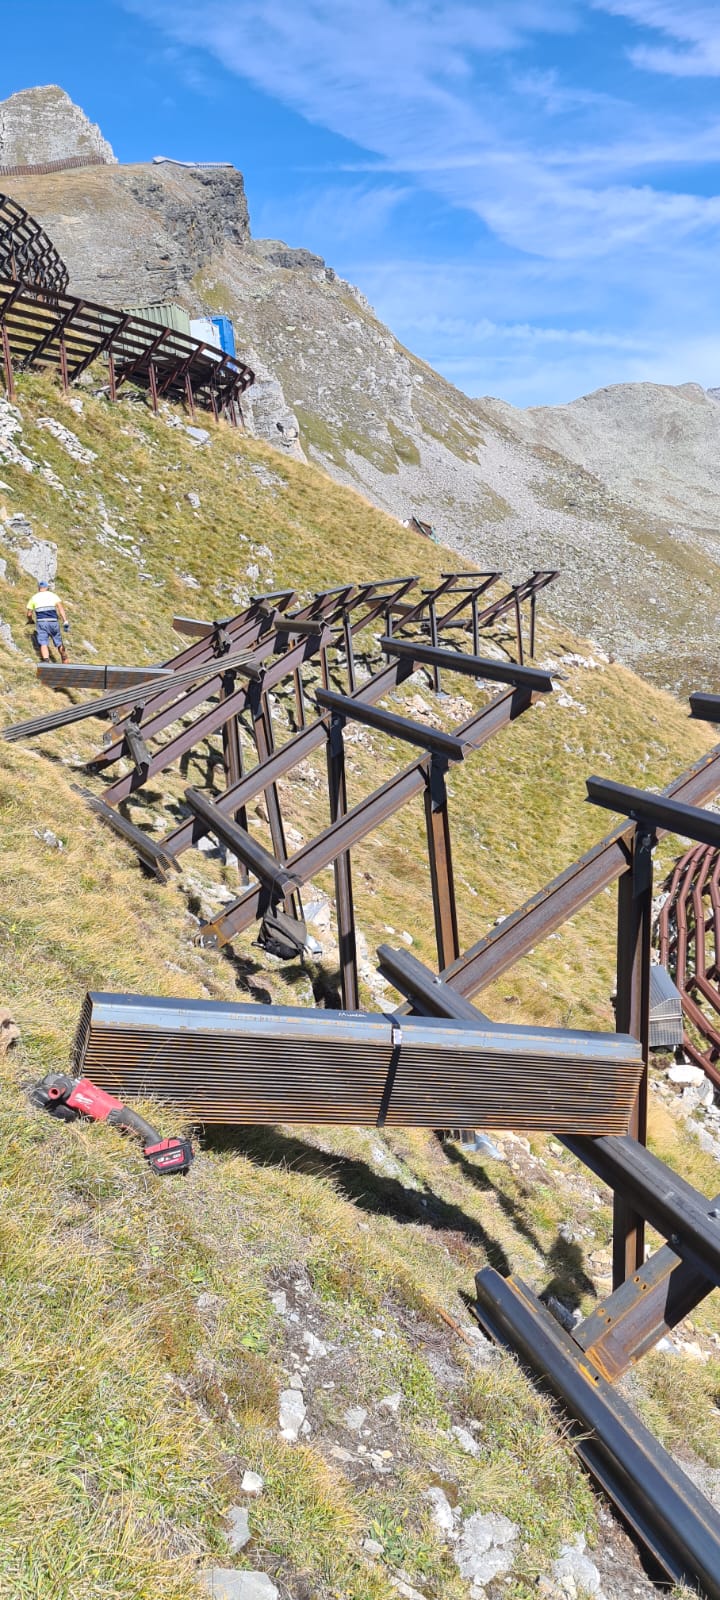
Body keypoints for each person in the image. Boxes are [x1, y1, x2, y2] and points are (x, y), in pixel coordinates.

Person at [26, 579, 70, 662]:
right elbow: (60, 608)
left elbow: (29, 614)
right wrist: (65, 621)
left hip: (41, 623)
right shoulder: (53, 595)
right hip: (53, 622)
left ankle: (46, 661)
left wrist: (30, 620)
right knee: (59, 643)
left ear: (39, 588)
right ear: (46, 587)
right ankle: (64, 658)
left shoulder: (34, 597)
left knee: (43, 643)